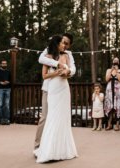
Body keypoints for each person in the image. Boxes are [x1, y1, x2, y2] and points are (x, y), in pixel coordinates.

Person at [33, 35, 78, 163]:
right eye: (63, 42)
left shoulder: (68, 54)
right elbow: (41, 59)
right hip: (49, 89)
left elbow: (73, 69)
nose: (64, 45)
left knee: (61, 118)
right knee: (45, 117)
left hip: (62, 88)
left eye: (66, 43)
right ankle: (38, 147)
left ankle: (59, 147)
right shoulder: (49, 51)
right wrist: (57, 64)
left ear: (69, 45)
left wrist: (68, 72)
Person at [104, 57, 120, 131]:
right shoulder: (108, 70)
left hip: (118, 89)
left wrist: (116, 70)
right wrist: (111, 70)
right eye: (114, 60)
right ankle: (109, 124)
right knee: (109, 105)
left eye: (117, 60)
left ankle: (117, 125)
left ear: (119, 62)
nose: (115, 61)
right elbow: (106, 79)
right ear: (112, 62)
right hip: (109, 89)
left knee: (118, 106)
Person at [0, 59, 11, 125]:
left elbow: (11, 80)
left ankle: (6, 119)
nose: (4, 64)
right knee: (0, 105)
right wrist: (0, 82)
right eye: (3, 63)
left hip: (8, 89)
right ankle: (1, 119)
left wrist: (8, 82)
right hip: (0, 89)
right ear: (0, 64)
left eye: (5, 63)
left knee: (7, 105)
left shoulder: (8, 71)